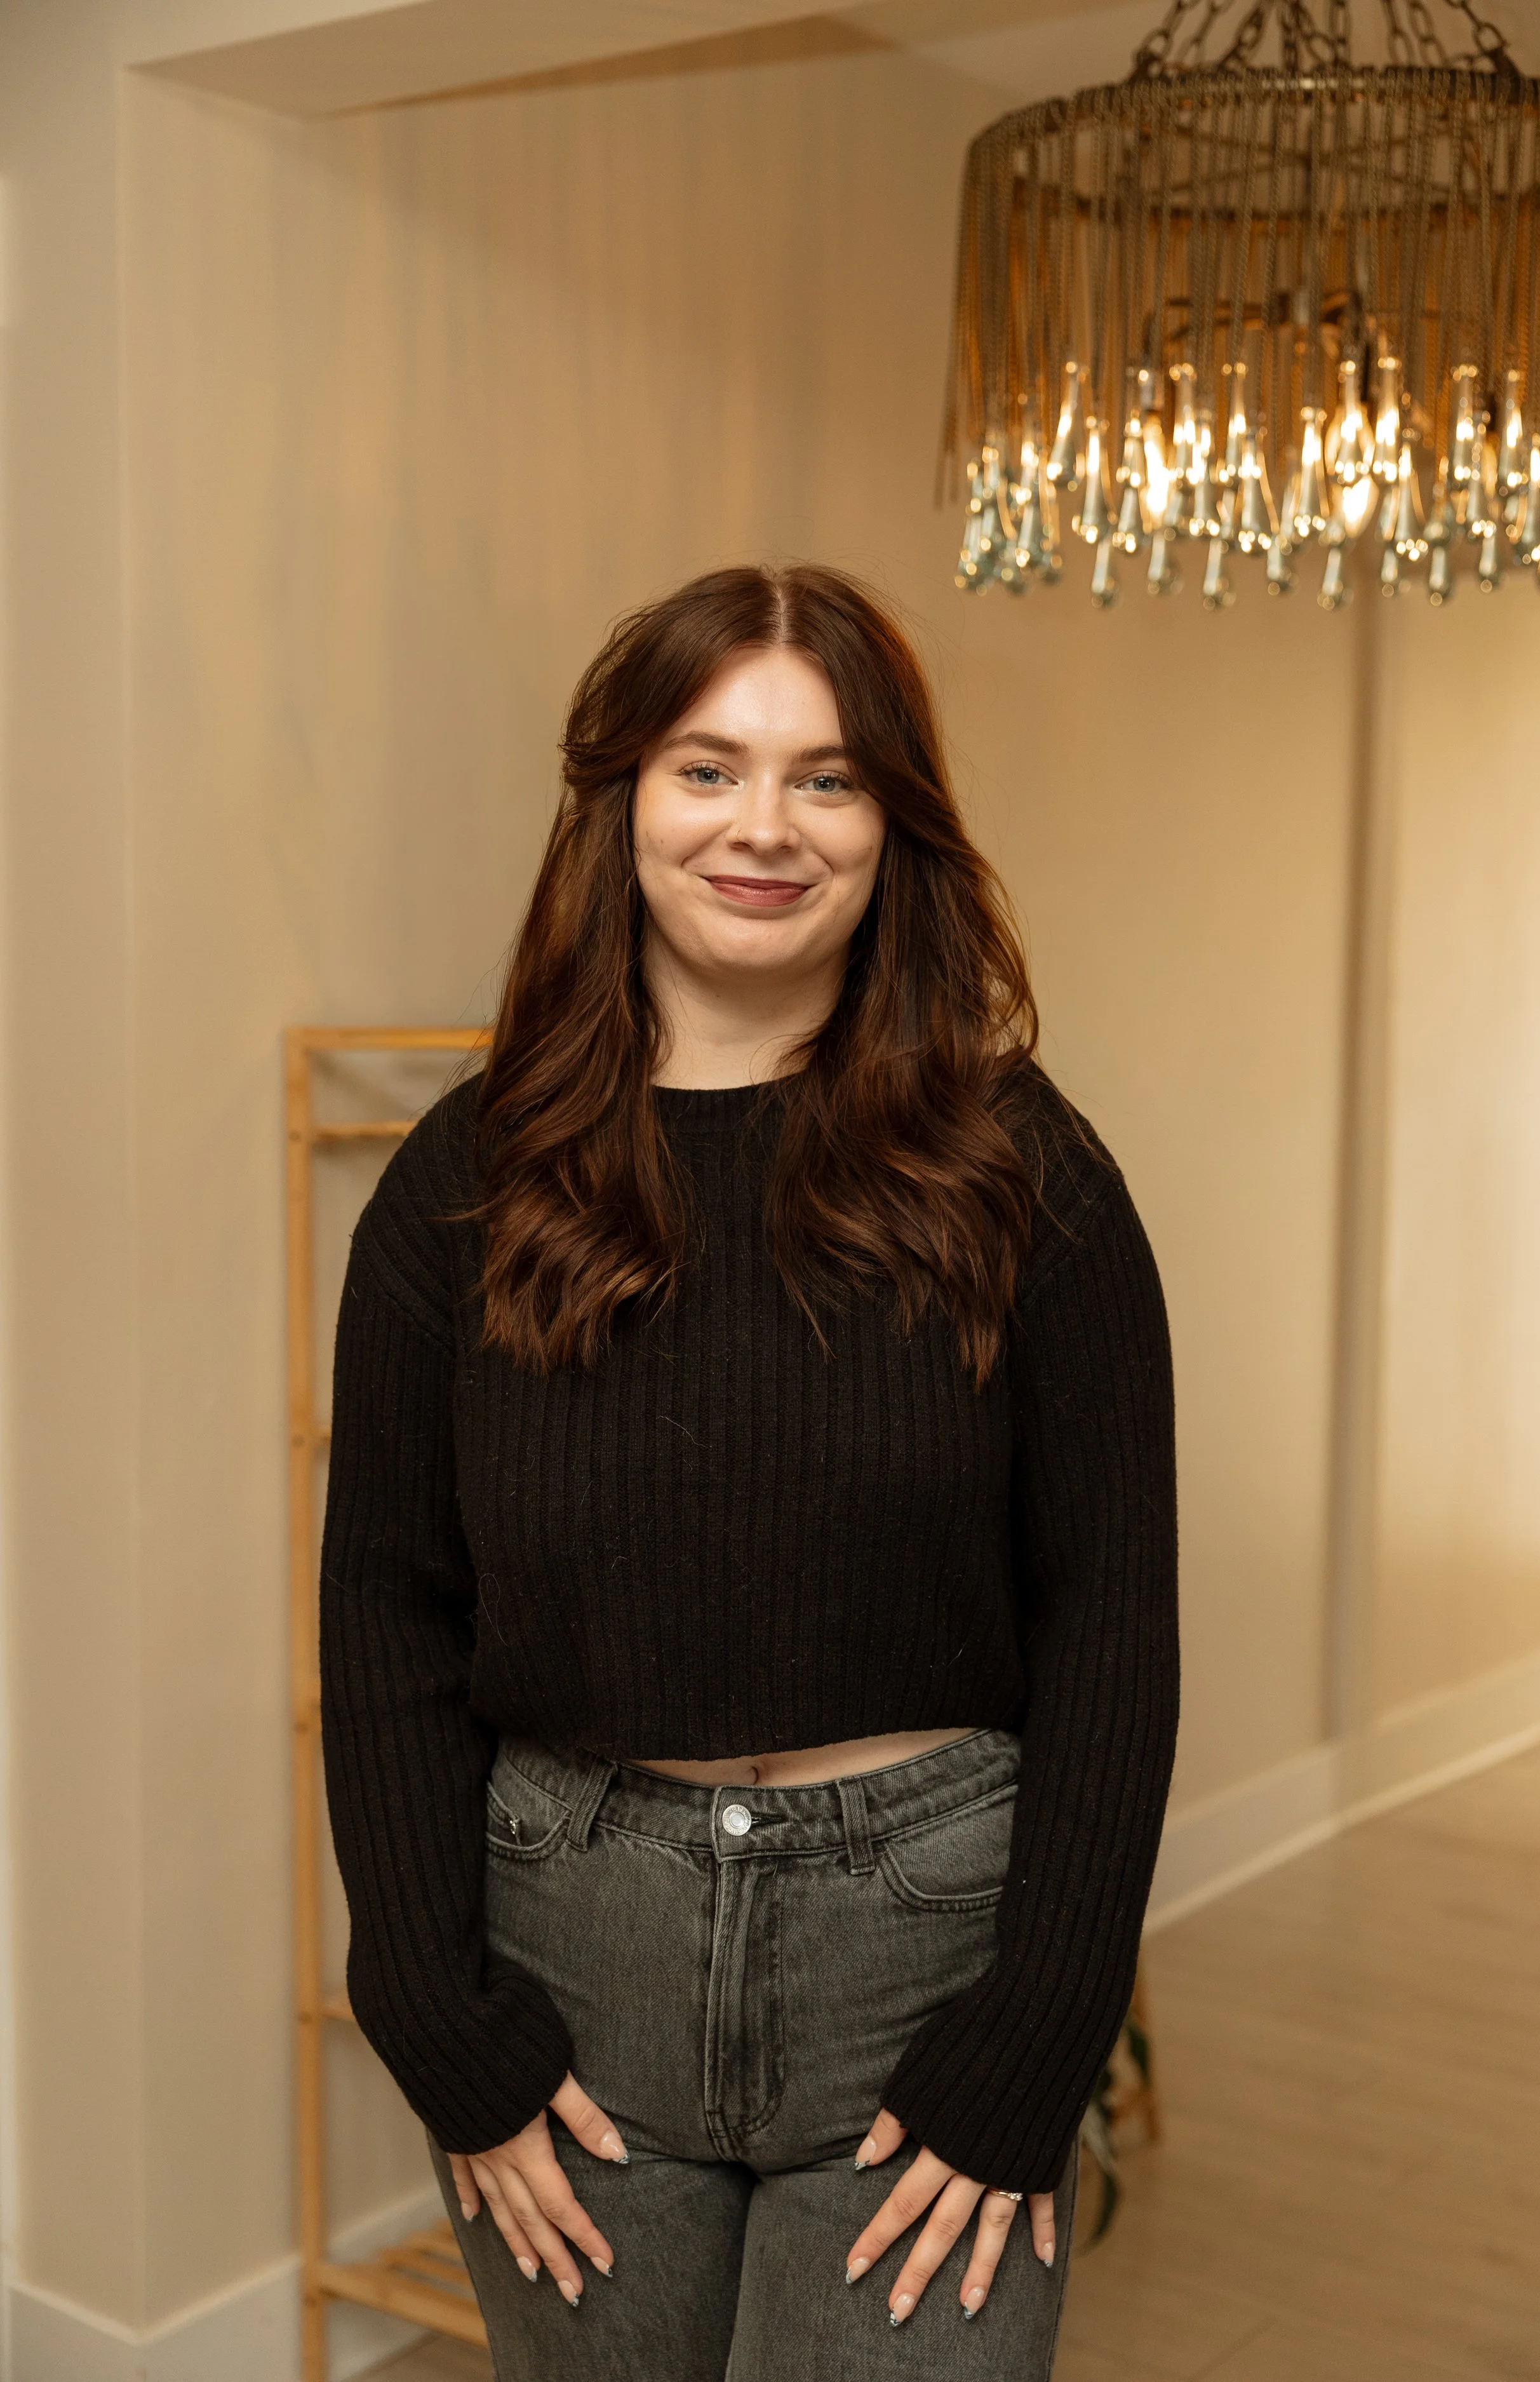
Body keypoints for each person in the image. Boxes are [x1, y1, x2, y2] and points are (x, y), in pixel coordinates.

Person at [319, 563, 1178, 2381]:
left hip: (925, 1938)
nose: (763, 826)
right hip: (568, 1942)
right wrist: (429, 2006)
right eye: (707, 767)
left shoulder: (1024, 1169)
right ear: (619, 800)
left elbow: (1110, 1607)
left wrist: (1040, 2031)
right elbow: (387, 1603)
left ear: (894, 827)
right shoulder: (461, 1184)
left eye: (829, 775)